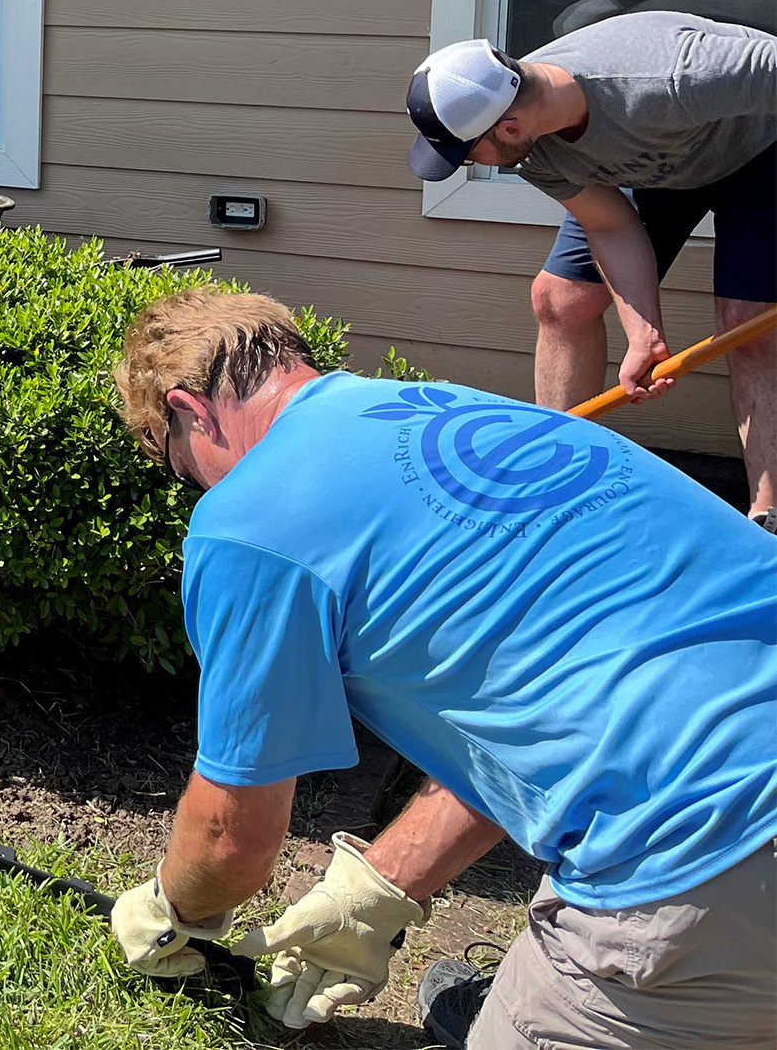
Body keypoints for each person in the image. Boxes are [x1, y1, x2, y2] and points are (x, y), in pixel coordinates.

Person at [105, 287, 776, 1047]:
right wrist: (378, 890)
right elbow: (537, 707)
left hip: (705, 847)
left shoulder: (247, 522)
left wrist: (173, 909)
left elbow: (234, 838)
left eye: (171, 459)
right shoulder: (456, 409)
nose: (190, 482)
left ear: (190, 409)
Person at [404, 12, 777, 531]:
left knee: (747, 322)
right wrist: (643, 334)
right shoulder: (532, 144)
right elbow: (609, 226)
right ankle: (559, 492)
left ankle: (768, 515)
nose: (471, 164)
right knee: (560, 299)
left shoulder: (674, 78)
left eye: (469, 153)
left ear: (508, 126)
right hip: (659, 165)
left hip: (760, 151)